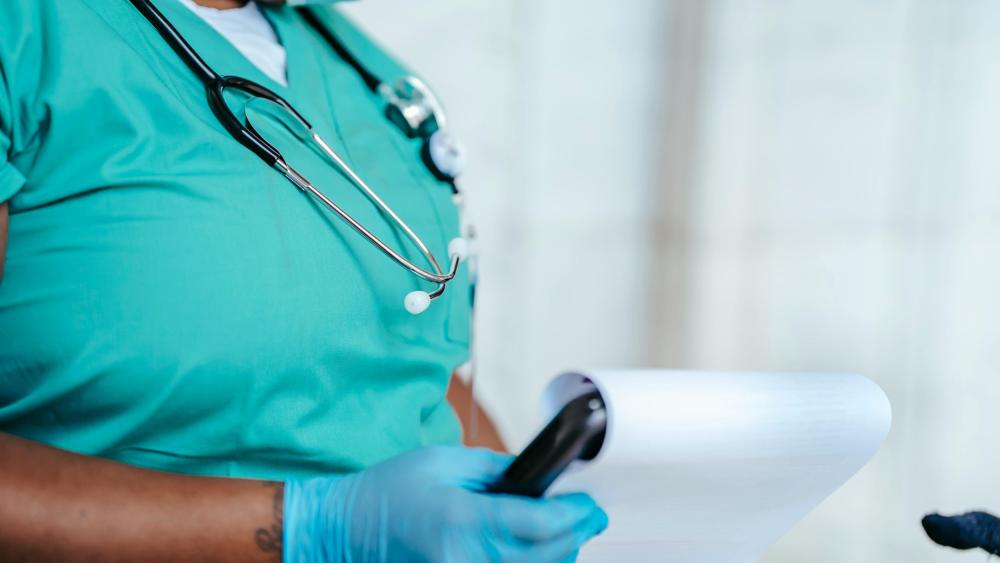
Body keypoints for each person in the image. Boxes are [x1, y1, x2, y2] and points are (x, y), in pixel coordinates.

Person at [0, 0, 608, 561]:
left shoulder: (353, 61)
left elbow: (405, 361)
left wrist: (508, 504)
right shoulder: (29, 32)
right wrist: (317, 526)